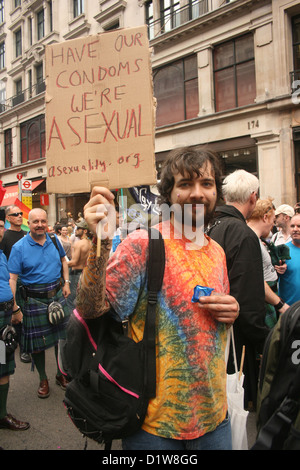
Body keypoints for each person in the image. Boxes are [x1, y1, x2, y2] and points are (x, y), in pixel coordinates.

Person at [76, 147, 239, 450]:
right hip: (152, 426)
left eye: (206, 184)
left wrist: (232, 309)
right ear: (169, 192)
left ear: (217, 191)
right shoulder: (143, 243)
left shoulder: (216, 251)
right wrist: (99, 240)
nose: (197, 193)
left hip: (215, 419)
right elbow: (89, 308)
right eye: (185, 184)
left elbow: (214, 315)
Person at [207, 169, 269, 410]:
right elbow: (247, 300)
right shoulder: (243, 234)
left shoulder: (210, 225)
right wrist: (264, 340)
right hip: (234, 342)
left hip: (210, 337)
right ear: (253, 198)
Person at [8, 208, 71, 399]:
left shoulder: (53, 240)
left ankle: (60, 373)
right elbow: (12, 278)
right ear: (29, 222)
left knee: (62, 339)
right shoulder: (19, 247)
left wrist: (66, 282)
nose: (40, 225)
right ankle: (43, 378)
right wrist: (15, 307)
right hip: (33, 300)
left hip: (57, 294)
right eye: (36, 221)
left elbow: (64, 261)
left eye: (43, 221)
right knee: (37, 344)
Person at [0, 209, 30, 431]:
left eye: (0, 226)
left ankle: (1, 415)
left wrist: (15, 307)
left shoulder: (1, 253)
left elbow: (8, 280)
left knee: (2, 365)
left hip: (4, 314)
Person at [247, 198, 289, 328]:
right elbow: (256, 279)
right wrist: (280, 305)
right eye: (272, 221)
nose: (273, 225)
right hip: (264, 301)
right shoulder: (250, 240)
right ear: (265, 217)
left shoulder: (256, 240)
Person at [0, 206, 30, 364]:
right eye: (15, 214)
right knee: (16, 316)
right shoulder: (5, 238)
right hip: (13, 281)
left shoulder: (27, 234)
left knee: (25, 315)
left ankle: (25, 346)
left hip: (28, 280)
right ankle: (21, 348)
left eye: (21, 214)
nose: (19, 216)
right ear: (8, 219)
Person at [67, 219, 92, 308]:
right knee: (81, 299)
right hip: (85, 274)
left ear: (85, 231)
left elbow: (74, 262)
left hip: (76, 274)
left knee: (71, 300)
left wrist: (61, 263)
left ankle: (72, 321)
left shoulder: (79, 243)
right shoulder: (90, 243)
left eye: (78, 228)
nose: (76, 230)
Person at [278, 213, 300, 305]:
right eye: (292, 226)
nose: (295, 229)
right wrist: (277, 269)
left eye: (299, 226)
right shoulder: (282, 250)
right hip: (289, 311)